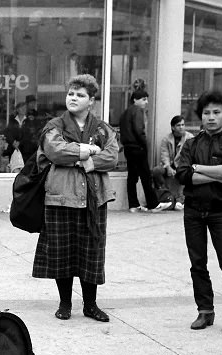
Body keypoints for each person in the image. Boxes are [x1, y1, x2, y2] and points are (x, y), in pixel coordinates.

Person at [32, 74, 119, 323]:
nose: (74, 98)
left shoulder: (103, 128)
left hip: (94, 199)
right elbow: (54, 151)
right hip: (61, 198)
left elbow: (112, 157)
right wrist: (88, 150)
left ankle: (90, 305)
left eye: (80, 95)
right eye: (71, 93)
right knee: (63, 253)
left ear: (91, 100)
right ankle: (65, 303)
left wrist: (88, 161)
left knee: (91, 253)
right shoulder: (55, 126)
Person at [175, 90, 222, 339]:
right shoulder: (191, 143)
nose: (211, 117)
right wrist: (219, 176)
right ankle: (205, 311)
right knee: (198, 264)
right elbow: (183, 175)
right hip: (193, 211)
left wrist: (199, 168)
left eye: (216, 112)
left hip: (220, 214)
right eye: (207, 112)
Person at [119, 89, 160, 212]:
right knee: (145, 175)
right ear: (135, 100)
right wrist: (144, 144)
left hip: (128, 148)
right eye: (143, 99)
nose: (146, 102)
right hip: (138, 147)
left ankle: (133, 205)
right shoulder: (137, 111)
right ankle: (153, 204)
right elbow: (139, 130)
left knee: (132, 177)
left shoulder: (125, 113)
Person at [153, 115, 194, 210]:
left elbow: (190, 156)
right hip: (169, 166)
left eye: (183, 125)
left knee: (187, 172)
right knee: (156, 171)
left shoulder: (190, 138)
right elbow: (164, 155)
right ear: (173, 127)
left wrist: (180, 168)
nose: (181, 127)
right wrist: (168, 168)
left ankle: (180, 200)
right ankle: (166, 196)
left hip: (183, 166)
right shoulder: (166, 139)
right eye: (179, 125)